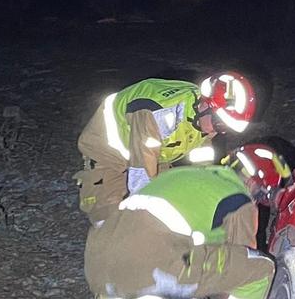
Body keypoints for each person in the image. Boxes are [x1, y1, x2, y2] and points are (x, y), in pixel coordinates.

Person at [85, 144, 291, 299]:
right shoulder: (238, 197)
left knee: (154, 285)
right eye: (262, 195)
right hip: (154, 263)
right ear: (256, 183)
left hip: (98, 262)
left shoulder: (184, 176)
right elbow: (238, 260)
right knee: (259, 268)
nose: (257, 202)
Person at [75, 72, 257, 226]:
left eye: (224, 128)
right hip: (108, 154)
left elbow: (202, 169)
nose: (215, 131)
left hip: (155, 156)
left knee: (173, 207)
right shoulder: (160, 114)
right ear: (204, 105)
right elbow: (141, 178)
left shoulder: (204, 122)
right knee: (111, 222)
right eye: (218, 123)